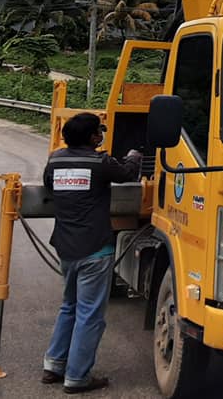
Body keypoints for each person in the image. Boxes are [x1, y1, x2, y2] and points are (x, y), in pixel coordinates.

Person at [40, 112, 142, 394]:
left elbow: (49, 185)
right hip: (95, 249)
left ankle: (54, 365)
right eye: (99, 131)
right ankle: (77, 377)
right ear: (91, 137)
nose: (102, 134)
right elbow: (127, 173)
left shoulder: (56, 160)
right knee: (90, 314)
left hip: (65, 247)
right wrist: (134, 155)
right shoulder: (99, 162)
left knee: (69, 306)